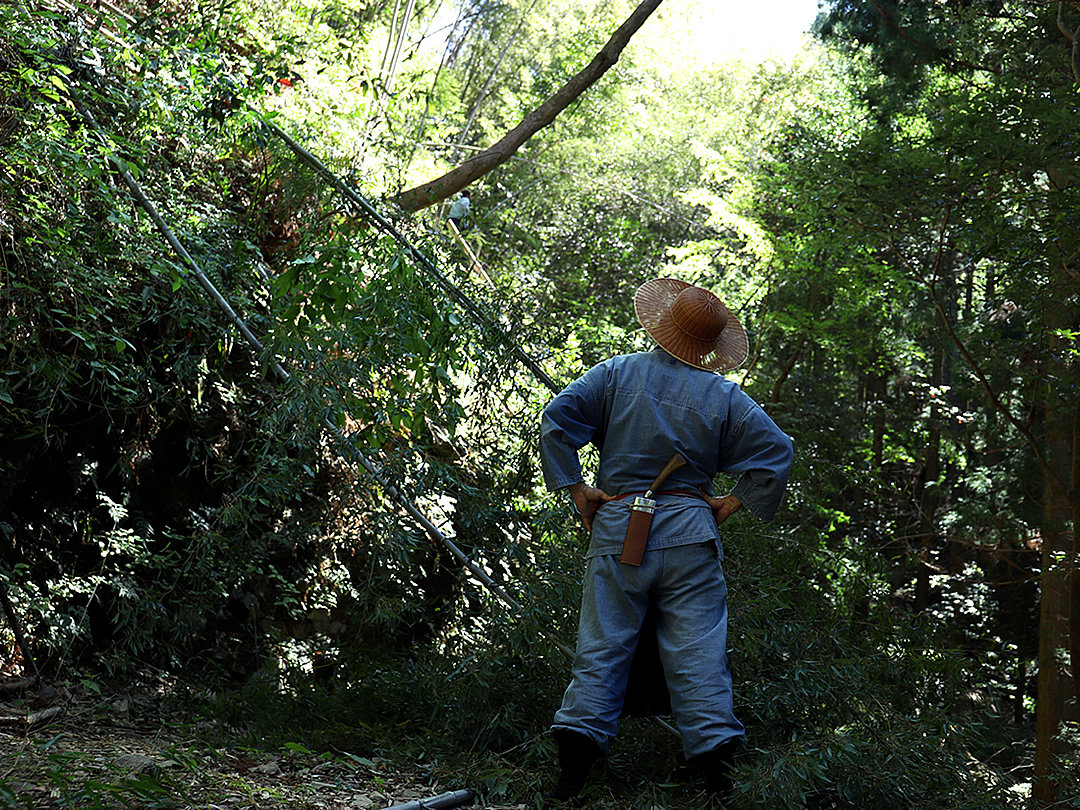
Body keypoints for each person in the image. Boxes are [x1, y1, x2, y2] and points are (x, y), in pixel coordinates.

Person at [538, 278, 794, 807]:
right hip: (690, 536)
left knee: (602, 650)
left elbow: (556, 423)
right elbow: (776, 451)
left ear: (660, 327)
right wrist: (728, 503)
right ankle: (719, 788)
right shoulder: (724, 395)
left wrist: (579, 489)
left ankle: (567, 788)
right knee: (700, 656)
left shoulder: (614, 374)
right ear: (709, 347)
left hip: (618, 528)